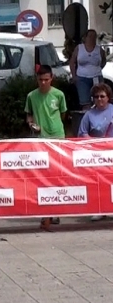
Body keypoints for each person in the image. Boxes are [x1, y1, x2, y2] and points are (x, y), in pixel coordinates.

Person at [25, 64, 67, 228]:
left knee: (57, 175)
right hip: (40, 140)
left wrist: (54, 126)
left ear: (52, 79)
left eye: (46, 80)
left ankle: (56, 212)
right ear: (37, 79)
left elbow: (63, 114)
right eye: (40, 80)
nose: (43, 83)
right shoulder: (31, 96)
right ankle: (46, 211)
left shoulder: (59, 95)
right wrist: (31, 123)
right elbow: (28, 114)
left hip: (57, 138)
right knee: (43, 176)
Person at [77, 83, 113, 222]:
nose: (99, 99)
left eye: (102, 96)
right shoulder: (89, 115)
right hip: (96, 156)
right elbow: (82, 133)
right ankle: (99, 209)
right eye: (96, 97)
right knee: (98, 183)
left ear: (108, 97)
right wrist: (93, 142)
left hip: (111, 154)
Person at [69, 29, 107, 111]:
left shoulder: (99, 50)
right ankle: (87, 119)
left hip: (96, 76)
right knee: (85, 102)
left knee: (100, 99)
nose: (92, 38)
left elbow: (103, 61)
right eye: (90, 36)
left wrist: (98, 69)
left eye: (94, 36)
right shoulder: (79, 48)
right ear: (85, 37)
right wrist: (74, 76)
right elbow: (72, 62)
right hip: (82, 78)